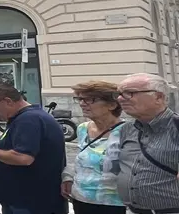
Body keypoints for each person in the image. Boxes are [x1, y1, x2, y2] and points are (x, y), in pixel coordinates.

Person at [0, 81, 67, 214]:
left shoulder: (28, 120)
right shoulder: (26, 117)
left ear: (8, 101)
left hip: (31, 202)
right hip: (25, 200)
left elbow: (24, 158)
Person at [113, 73, 179, 213]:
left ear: (158, 97)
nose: (120, 98)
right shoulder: (127, 129)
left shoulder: (176, 128)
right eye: (119, 94)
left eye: (129, 93)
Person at [62, 80, 126, 214]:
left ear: (112, 105)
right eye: (80, 99)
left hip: (113, 203)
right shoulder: (83, 128)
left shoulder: (128, 132)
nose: (82, 103)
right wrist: (68, 177)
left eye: (90, 99)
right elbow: (82, 160)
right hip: (81, 200)